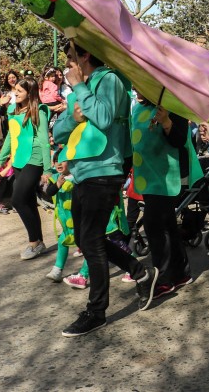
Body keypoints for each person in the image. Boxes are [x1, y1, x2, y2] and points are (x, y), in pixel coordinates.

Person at [54, 42, 158, 338]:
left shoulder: (109, 80)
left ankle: (96, 311)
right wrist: (73, 116)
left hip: (105, 171)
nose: (67, 63)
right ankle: (139, 272)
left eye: (71, 57)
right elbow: (59, 131)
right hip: (80, 172)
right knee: (86, 239)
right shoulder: (81, 88)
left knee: (91, 240)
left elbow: (102, 117)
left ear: (85, 54)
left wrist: (79, 87)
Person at [130, 91, 203, 298]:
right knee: (167, 225)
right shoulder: (137, 108)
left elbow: (180, 140)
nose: (136, 87)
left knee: (154, 224)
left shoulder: (172, 105)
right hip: (147, 176)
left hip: (167, 178)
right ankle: (181, 274)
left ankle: (163, 279)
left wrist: (166, 122)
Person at [0, 78, 51, 258]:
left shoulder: (39, 111)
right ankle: (39, 241)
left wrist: (47, 169)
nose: (16, 93)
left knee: (18, 200)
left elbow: (44, 142)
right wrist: (0, 160)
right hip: (18, 159)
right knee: (28, 201)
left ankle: (33, 242)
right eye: (16, 90)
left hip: (34, 159)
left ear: (30, 93)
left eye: (20, 91)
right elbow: (10, 137)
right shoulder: (12, 110)